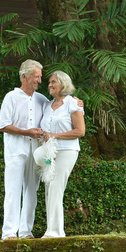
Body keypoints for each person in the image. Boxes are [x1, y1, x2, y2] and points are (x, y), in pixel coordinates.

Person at [0, 59, 48, 241]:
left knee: (31, 192)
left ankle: (26, 232)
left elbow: (58, 109)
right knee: (13, 190)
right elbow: (3, 125)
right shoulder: (11, 97)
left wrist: (76, 103)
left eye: (40, 77)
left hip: (35, 153)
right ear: (24, 76)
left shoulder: (42, 99)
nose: (39, 81)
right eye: (36, 77)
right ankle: (9, 233)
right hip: (15, 151)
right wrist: (26, 132)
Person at [38, 70, 85, 238]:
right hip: (49, 151)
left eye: (53, 82)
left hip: (67, 150)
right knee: (49, 187)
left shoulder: (72, 104)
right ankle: (52, 229)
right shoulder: (47, 105)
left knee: (57, 186)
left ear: (63, 85)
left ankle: (55, 232)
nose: (49, 85)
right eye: (49, 82)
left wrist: (55, 136)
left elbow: (80, 131)